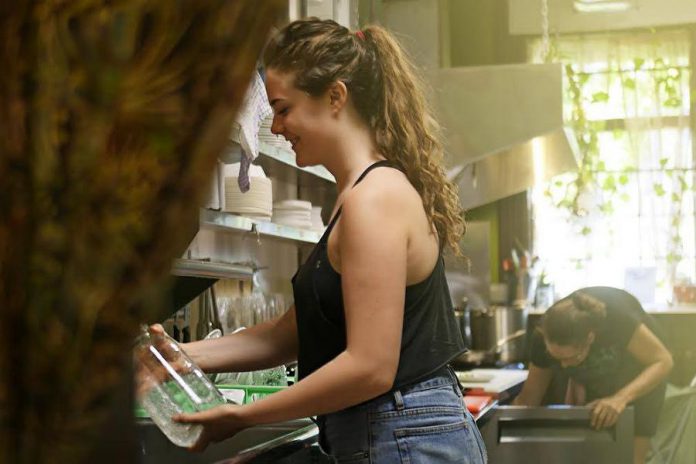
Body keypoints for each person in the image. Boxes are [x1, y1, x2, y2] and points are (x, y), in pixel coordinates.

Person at [164, 18, 486, 463]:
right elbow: (288, 335)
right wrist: (178, 356)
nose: (276, 127)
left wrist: (242, 416)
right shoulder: (356, 195)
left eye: (283, 108)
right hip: (390, 432)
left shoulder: (373, 199)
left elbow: (370, 368)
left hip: (405, 435)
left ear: (336, 96)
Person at [514, 286, 673, 464]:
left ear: (590, 338)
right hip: (601, 370)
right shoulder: (543, 336)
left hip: (644, 368)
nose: (563, 366)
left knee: (631, 459)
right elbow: (528, 398)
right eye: (555, 358)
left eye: (569, 358)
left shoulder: (618, 319)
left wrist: (619, 398)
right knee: (595, 447)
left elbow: (663, 361)